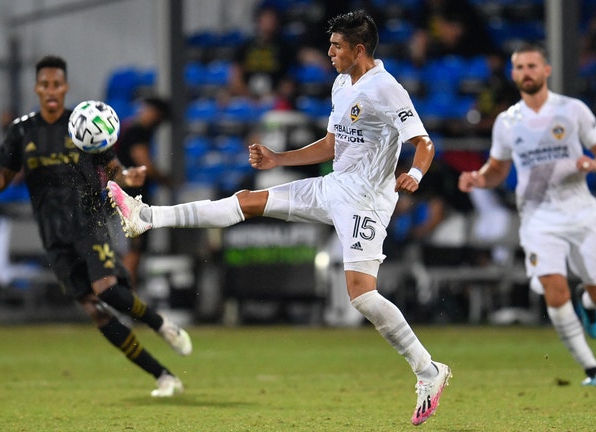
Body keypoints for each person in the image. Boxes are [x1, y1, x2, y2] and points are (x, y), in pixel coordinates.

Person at [109, 10, 451, 426]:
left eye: (337, 46)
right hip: (333, 187)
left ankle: (428, 371)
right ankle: (147, 216)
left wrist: (414, 173)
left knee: (362, 296)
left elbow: (424, 142)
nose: (329, 53)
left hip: (366, 202)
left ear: (359, 50)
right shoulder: (342, 83)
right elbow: (331, 144)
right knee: (247, 200)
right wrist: (278, 159)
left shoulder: (386, 88)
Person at [0, 55, 191, 398]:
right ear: (37, 88)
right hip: (52, 233)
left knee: (105, 289)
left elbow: (112, 164)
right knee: (96, 311)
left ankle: (160, 324)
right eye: (45, 85)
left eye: (57, 84)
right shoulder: (22, 131)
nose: (51, 91)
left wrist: (128, 175)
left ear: (65, 86)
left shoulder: (82, 123)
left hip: (87, 220)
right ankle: (164, 375)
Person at [458, 43, 596, 386]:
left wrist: (593, 163)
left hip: (581, 213)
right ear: (513, 74)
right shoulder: (507, 121)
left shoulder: (573, 110)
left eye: (532, 66)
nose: (526, 72)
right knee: (553, 289)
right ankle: (591, 368)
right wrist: (480, 178)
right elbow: (498, 168)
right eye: (519, 67)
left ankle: (588, 303)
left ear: (546, 70)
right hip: (537, 217)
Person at [113, 95, 172, 288]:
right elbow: (143, 162)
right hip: (132, 198)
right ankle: (126, 300)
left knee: (131, 249)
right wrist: (165, 179)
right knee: (134, 251)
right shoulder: (138, 132)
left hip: (126, 196)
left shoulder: (132, 130)